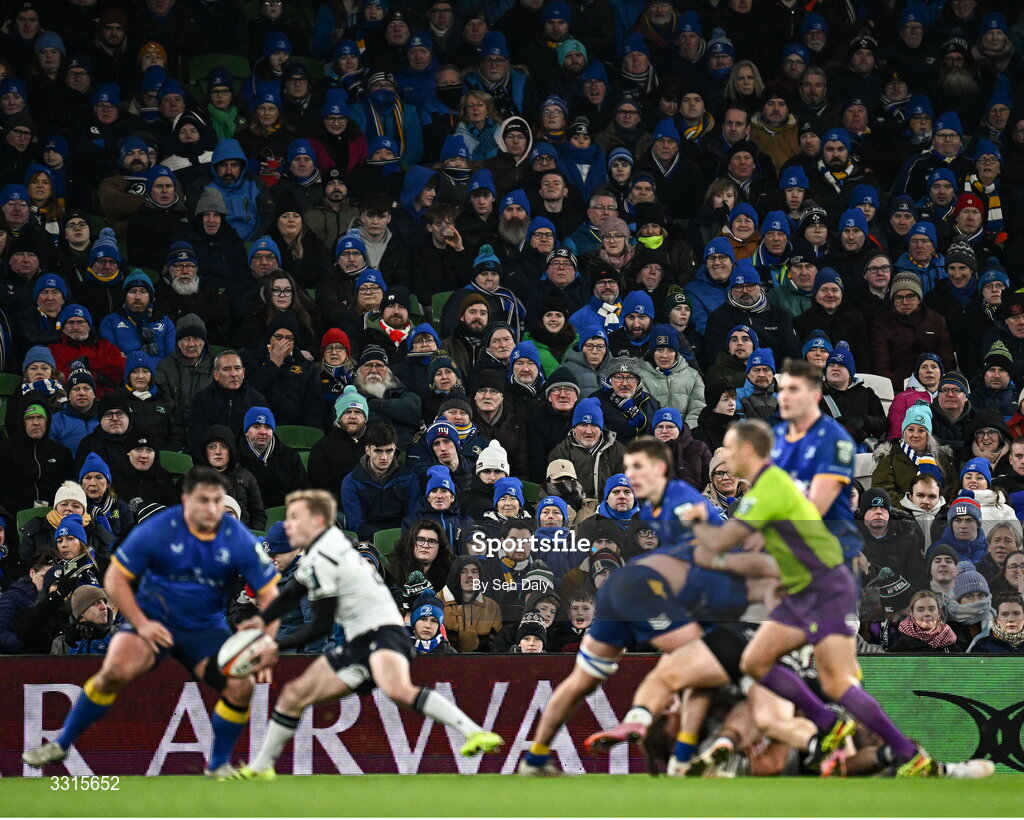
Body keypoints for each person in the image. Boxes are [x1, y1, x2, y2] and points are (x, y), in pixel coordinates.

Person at [685, 420, 942, 777]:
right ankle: (842, 728)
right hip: (805, 589)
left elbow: (721, 542)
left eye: (731, 449)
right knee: (756, 661)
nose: (725, 460)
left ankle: (902, 750)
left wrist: (695, 524)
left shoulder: (768, 487)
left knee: (832, 681)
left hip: (824, 587)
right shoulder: (767, 488)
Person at [22, 467, 281, 779]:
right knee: (116, 669)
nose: (212, 509)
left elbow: (270, 595)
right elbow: (116, 578)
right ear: (186, 501)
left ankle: (217, 766)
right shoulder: (161, 527)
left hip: (205, 628)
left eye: (217, 501)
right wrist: (142, 624)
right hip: (153, 618)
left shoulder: (236, 536)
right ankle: (61, 744)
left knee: (241, 686)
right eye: (203, 500)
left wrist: (267, 639)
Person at [232, 489, 502, 779]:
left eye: (296, 519)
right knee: (293, 695)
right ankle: (261, 766)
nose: (289, 525)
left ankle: (474, 732)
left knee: (398, 690)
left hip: (384, 634)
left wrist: (276, 644)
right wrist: (262, 622)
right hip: (358, 641)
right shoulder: (315, 556)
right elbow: (290, 595)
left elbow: (320, 626)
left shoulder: (329, 557)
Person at [517, 437, 721, 775]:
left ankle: (535, 758)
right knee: (696, 662)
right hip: (642, 596)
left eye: (638, 468)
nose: (632, 477)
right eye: (628, 469)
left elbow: (704, 539)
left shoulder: (677, 501)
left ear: (660, 469)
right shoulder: (660, 506)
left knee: (584, 679)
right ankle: (680, 757)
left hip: (626, 595)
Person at [770, 359, 859, 563]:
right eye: (781, 389)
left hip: (830, 553)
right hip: (787, 551)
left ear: (815, 396)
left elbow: (814, 509)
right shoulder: (775, 436)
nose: (783, 396)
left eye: (793, 389)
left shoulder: (835, 440)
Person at [887, 590, 958, 653]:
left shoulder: (952, 647)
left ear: (939, 613)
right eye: (920, 610)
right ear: (911, 614)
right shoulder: (898, 650)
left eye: (931, 609)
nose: (927, 614)